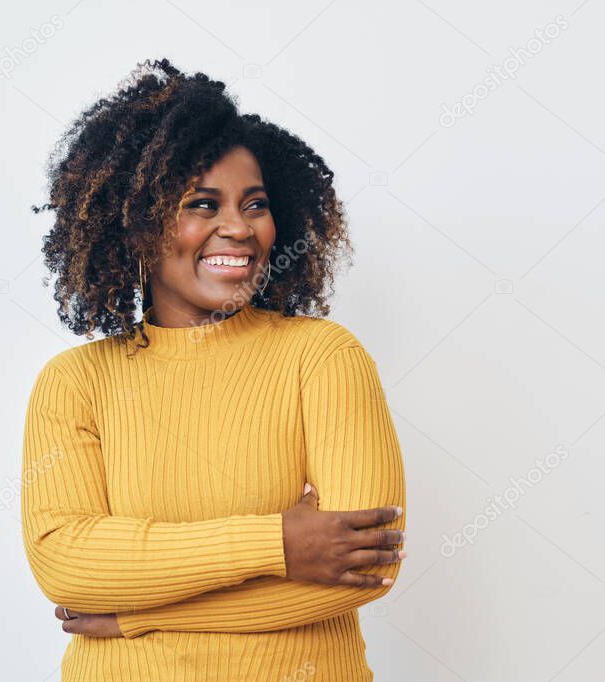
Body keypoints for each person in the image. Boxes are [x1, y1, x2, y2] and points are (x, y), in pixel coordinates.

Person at [22, 57, 407, 682]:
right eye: (203, 204)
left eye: (254, 204)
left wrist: (134, 615)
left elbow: (363, 570)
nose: (238, 228)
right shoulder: (76, 381)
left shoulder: (323, 357)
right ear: (136, 220)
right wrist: (279, 543)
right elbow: (67, 567)